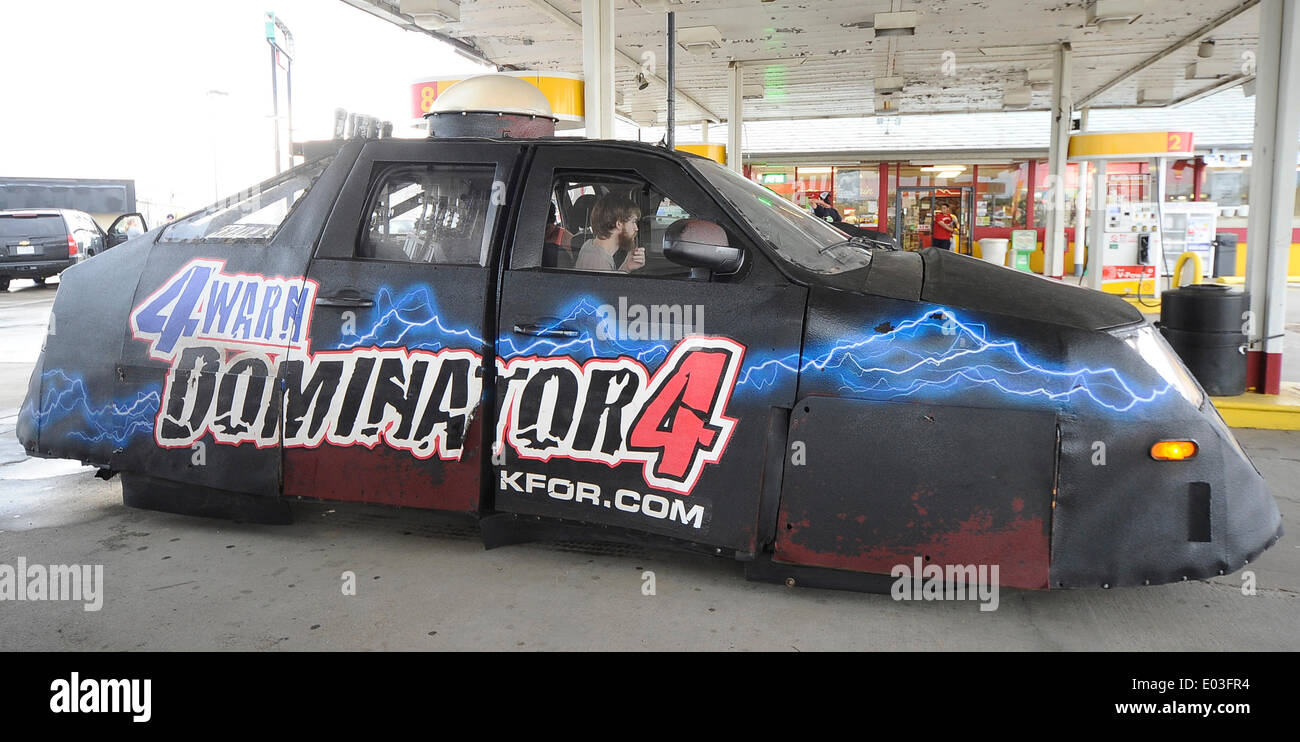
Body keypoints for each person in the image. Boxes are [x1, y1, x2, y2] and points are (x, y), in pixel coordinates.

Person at [574, 193, 645, 273]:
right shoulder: (599, 262)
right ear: (619, 224)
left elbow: (610, 282)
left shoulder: (589, 245)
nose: (636, 228)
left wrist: (626, 267)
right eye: (633, 222)